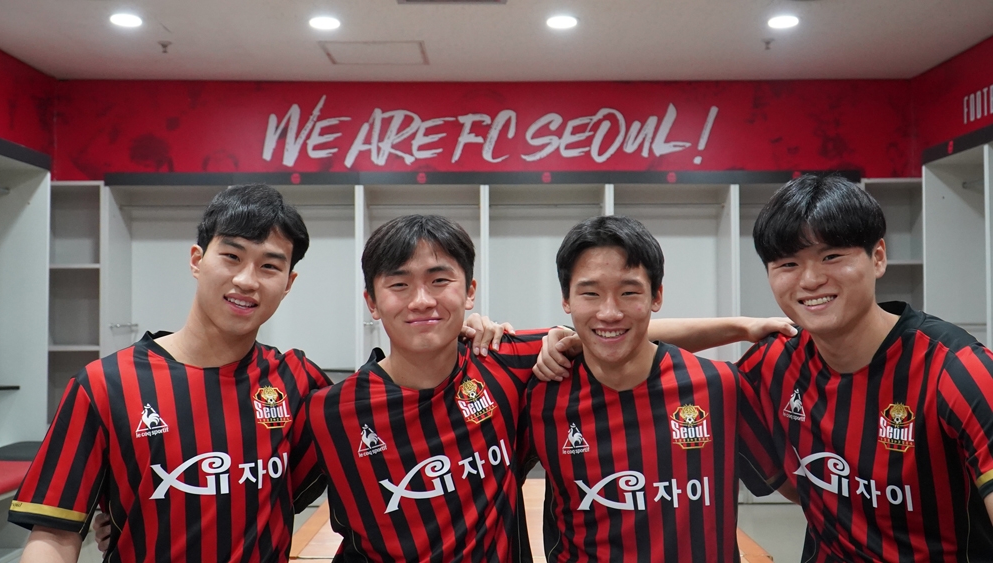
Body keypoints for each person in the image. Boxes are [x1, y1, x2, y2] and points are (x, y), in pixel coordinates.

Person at [296, 214, 789, 561]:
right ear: (372, 301)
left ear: (469, 291)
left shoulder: (506, 364)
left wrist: (743, 327)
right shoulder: (327, 412)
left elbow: (615, 332)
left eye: (439, 280)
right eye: (399, 284)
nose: (421, 300)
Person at [9, 183, 333, 562]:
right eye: (232, 256)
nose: (247, 280)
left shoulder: (299, 381)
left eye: (270, 266)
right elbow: (54, 532)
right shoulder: (104, 385)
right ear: (197, 260)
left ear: (288, 283)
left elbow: (287, 492)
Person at [736, 174, 993, 561]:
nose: (811, 279)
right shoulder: (771, 363)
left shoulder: (959, 371)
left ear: (878, 258)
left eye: (831, 257)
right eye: (788, 263)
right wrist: (737, 326)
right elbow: (636, 347)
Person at [525, 215, 783, 562]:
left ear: (656, 295)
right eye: (590, 293)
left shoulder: (720, 387)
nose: (609, 312)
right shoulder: (539, 394)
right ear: (566, 300)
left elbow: (800, 489)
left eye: (629, 292)